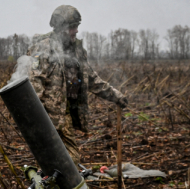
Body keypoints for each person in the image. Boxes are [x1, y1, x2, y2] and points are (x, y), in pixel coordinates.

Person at [27, 5, 128, 166]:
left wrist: (115, 96)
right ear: (61, 28)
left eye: (77, 26)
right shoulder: (44, 47)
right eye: (72, 27)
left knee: (69, 160)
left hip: (65, 115)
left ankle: (59, 187)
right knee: (58, 161)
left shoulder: (77, 51)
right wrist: (36, 119)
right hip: (47, 117)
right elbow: (34, 83)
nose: (76, 31)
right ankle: (55, 187)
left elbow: (92, 79)